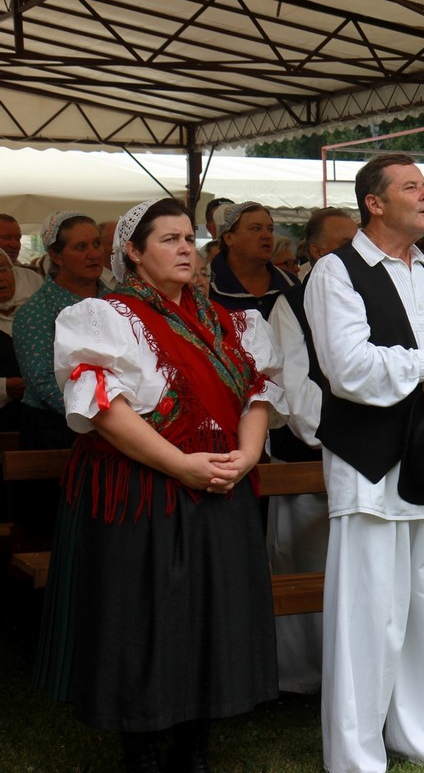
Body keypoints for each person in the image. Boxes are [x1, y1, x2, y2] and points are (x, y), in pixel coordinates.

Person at [53, 197, 284, 772]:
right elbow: (104, 407)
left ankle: (194, 744)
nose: (185, 248)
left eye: (188, 238)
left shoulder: (227, 321)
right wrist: (180, 466)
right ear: (133, 252)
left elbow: (259, 391)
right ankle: (145, 747)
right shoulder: (105, 317)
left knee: (211, 613)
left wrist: (248, 455)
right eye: (168, 239)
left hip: (219, 483)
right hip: (145, 489)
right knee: (148, 616)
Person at [305, 153, 424, 772]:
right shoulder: (335, 271)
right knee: (370, 617)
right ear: (375, 203)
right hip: (368, 459)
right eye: (413, 187)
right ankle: (356, 757)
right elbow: (349, 367)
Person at [265, 208, 356, 695]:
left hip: (365, 455)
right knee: (307, 567)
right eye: (344, 243)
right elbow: (297, 394)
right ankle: (306, 677)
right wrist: (351, 438)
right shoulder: (292, 306)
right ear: (317, 252)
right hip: (311, 455)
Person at [13, 211, 108, 450]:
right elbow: (43, 381)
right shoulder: (36, 311)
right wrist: (102, 420)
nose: (93, 254)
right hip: (56, 430)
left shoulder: (117, 301)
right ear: (56, 256)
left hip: (117, 420)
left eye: (97, 244)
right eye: (80, 247)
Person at [208, 201, 299, 317]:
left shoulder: (290, 284)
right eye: (256, 229)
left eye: (270, 229)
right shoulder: (206, 283)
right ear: (229, 238)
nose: (267, 235)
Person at [0, 249, 38, 431]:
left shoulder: (35, 312)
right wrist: (3, 387)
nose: (0, 277)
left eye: (3, 269)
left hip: (36, 420)